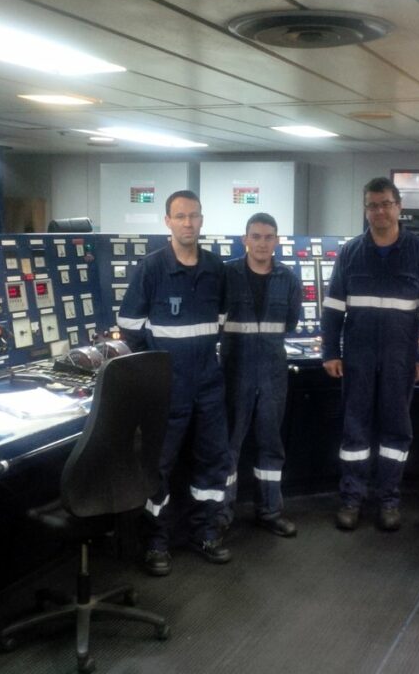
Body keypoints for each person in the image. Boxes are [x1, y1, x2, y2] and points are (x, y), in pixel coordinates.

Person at [321, 177, 419, 532]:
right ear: (366, 210)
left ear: (398, 206)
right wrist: (331, 350)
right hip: (357, 357)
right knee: (355, 431)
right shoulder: (350, 253)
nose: (379, 211)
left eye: (386, 204)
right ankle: (351, 498)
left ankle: (389, 499)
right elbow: (332, 309)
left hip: (400, 357)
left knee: (395, 431)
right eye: (373, 205)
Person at [117, 190, 231, 576]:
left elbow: (222, 318)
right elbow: (130, 326)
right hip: (168, 385)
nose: (187, 223)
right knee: (160, 466)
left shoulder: (217, 268)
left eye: (194, 216)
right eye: (180, 216)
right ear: (167, 221)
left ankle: (206, 532)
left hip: (208, 383)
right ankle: (156, 541)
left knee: (213, 460)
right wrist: (155, 366)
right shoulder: (151, 268)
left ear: (202, 220)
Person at [220, 212, 303, 538]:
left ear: (277, 241)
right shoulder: (227, 275)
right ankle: (221, 517)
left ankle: (269, 511)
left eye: (269, 237)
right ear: (245, 240)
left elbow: (291, 322)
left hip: (272, 372)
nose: (262, 243)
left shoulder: (288, 279)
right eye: (256, 236)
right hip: (234, 371)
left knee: (271, 444)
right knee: (229, 446)